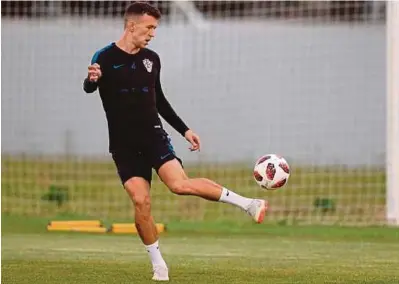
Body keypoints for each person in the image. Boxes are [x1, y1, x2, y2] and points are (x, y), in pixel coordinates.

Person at [83, 1, 268, 281]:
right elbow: (89, 86)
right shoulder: (105, 57)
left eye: (155, 28)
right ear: (132, 26)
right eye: (149, 27)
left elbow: (159, 100)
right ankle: (159, 265)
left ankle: (248, 204)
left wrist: (185, 130)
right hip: (123, 145)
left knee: (179, 185)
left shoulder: (152, 59)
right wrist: (92, 80)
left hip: (154, 137)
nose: (153, 33)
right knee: (141, 201)